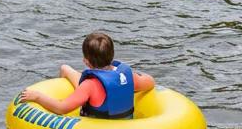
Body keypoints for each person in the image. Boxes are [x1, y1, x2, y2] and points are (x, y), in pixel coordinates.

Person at [20, 32, 155, 119]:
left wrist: (37, 96)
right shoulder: (127, 76)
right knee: (66, 69)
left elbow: (61, 109)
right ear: (112, 55)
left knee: (65, 68)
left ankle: (65, 73)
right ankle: (65, 70)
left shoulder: (88, 85)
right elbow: (150, 82)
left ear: (86, 61)